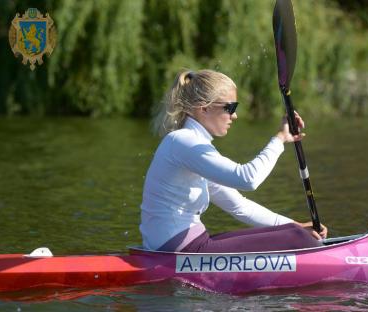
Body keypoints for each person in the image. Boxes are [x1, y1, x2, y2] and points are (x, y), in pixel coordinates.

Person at [139, 69, 327, 253]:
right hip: (179, 248)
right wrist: (279, 139)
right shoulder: (185, 142)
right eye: (230, 108)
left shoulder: (190, 146)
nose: (235, 116)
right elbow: (248, 179)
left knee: (295, 234)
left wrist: (295, 225)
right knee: (297, 239)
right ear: (204, 107)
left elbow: (239, 206)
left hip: (181, 244)